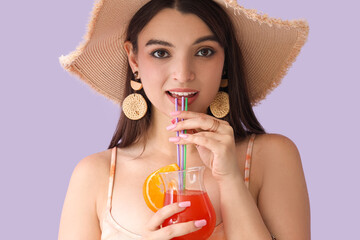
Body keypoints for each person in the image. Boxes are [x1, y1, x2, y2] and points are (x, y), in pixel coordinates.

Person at [58, 0, 311, 239]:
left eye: (204, 51)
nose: (183, 74)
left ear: (225, 62)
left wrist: (231, 179)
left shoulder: (270, 157)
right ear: (134, 59)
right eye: (160, 53)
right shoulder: (94, 175)